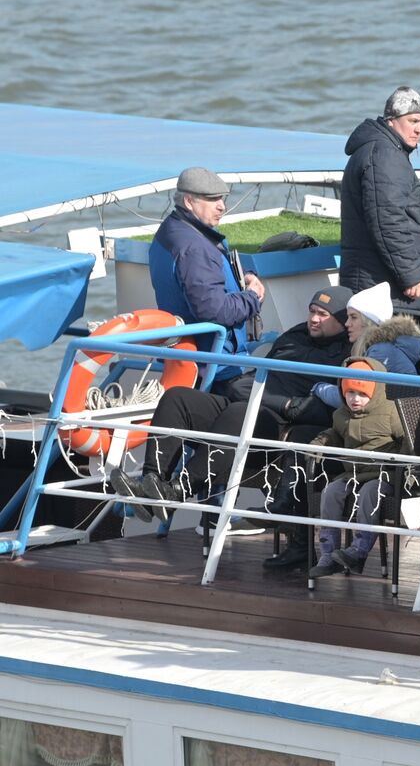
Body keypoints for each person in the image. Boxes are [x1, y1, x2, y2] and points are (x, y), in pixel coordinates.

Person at [111, 288, 353, 537]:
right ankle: (150, 485)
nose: (314, 318)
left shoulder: (347, 355)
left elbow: (332, 407)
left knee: (239, 413)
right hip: (245, 400)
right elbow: (248, 380)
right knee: (178, 398)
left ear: (343, 320)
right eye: (312, 311)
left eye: (323, 314)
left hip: (274, 428)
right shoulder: (296, 335)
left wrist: (286, 405)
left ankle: (177, 490)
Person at [149, 167, 264, 393]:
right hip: (217, 370)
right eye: (213, 199)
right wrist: (253, 297)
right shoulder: (194, 247)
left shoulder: (173, 231)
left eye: (222, 198)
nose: (222, 206)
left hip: (190, 361)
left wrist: (245, 276)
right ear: (189, 201)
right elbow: (214, 310)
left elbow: (209, 274)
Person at [339, 86, 420, 322]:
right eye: (413, 120)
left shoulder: (384, 150)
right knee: (392, 355)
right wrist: (410, 274)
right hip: (385, 292)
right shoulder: (384, 155)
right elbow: (387, 220)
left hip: (382, 284)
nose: (419, 129)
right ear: (391, 120)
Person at [306, 358, 407, 578]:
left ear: (375, 392)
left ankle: (358, 551)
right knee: (330, 492)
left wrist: (400, 462)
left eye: (362, 394)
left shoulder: (390, 411)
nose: (355, 399)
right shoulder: (341, 414)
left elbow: (408, 439)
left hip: (385, 475)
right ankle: (328, 553)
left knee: (369, 493)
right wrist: (321, 442)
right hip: (353, 472)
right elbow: (335, 433)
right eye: (350, 393)